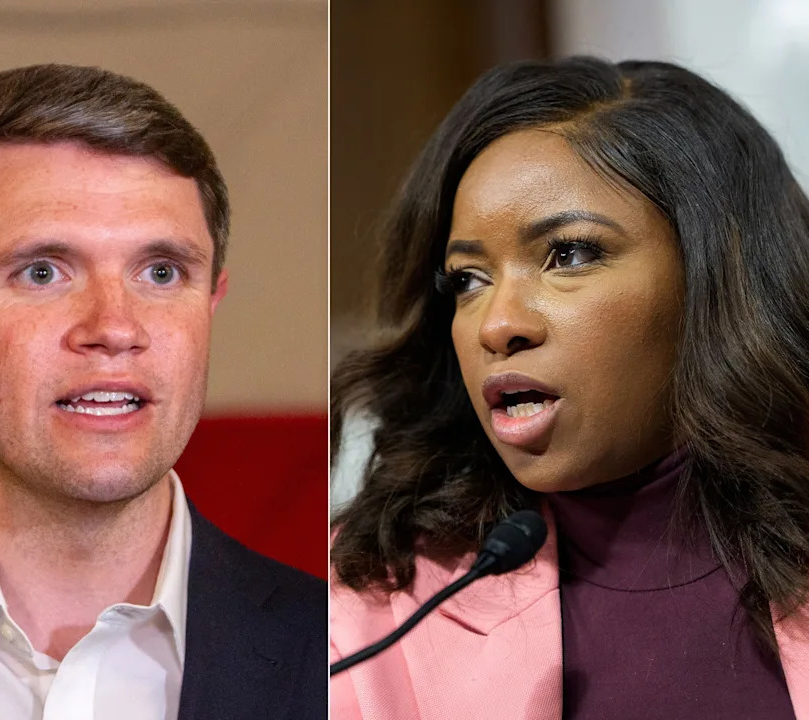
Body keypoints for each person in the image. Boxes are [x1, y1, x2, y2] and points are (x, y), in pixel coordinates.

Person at [329, 56, 809, 719]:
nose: (498, 325)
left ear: (714, 277)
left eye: (569, 254)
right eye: (468, 279)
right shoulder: (364, 609)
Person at [0, 63, 325, 720]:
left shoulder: (343, 650)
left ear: (210, 304)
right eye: (42, 271)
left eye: (161, 272)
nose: (115, 328)